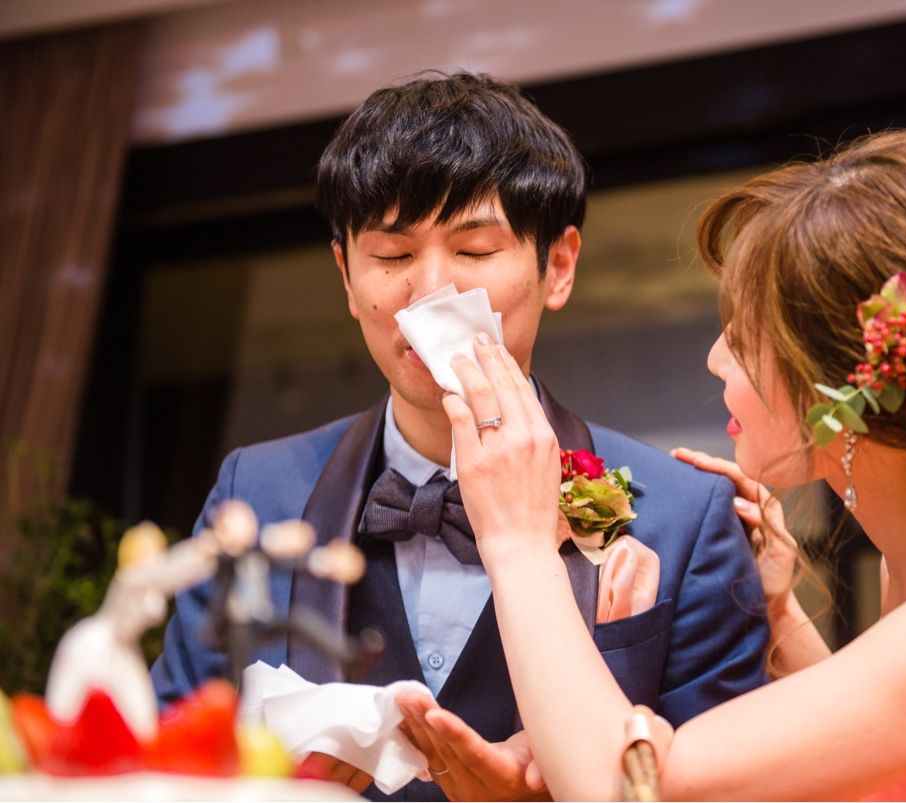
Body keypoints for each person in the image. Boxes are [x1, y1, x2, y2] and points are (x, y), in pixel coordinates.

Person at [406, 129, 906, 800]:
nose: (718, 358)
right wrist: (783, 619)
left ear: (846, 386)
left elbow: (632, 790)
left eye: (747, 333)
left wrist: (515, 540)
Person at [149, 72, 769, 801]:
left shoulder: (686, 516)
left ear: (557, 266)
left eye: (474, 251)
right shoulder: (255, 491)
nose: (429, 295)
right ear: (346, 276)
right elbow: (163, 765)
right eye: (392, 256)